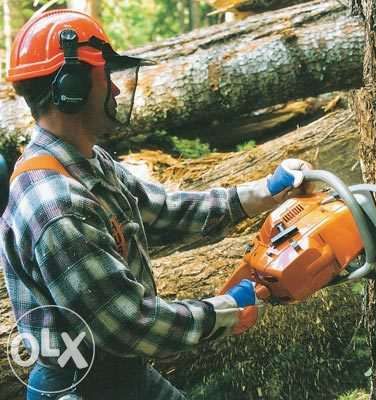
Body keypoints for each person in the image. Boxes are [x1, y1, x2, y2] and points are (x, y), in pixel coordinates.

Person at [1, 9, 312, 400]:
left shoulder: (87, 162)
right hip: (82, 386)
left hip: (119, 373)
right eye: (106, 79)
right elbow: (133, 324)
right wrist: (228, 309)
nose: (115, 91)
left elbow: (165, 210)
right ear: (72, 88)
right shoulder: (56, 205)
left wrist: (265, 192)